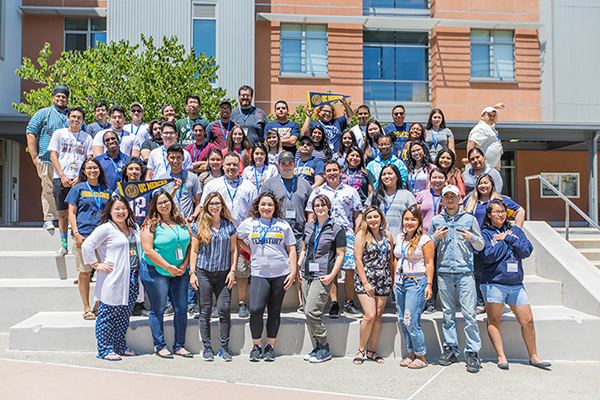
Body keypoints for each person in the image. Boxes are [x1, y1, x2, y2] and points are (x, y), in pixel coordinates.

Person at [479, 199, 550, 370]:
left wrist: (508, 238)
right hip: (493, 283)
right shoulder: (485, 233)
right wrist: (506, 241)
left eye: (503, 211)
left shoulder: (514, 231)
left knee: (528, 320)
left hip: (516, 284)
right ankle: (501, 356)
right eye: (496, 212)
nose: (501, 215)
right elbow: (488, 255)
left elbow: (526, 250)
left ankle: (534, 356)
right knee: (494, 320)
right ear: (489, 215)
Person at [429, 185, 484, 373]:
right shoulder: (436, 220)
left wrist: (471, 237)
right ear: (442, 200)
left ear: (459, 198)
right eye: (446, 197)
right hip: (444, 272)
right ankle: (451, 348)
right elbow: (428, 246)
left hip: (465, 272)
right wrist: (435, 237)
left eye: (453, 196)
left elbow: (481, 245)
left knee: (469, 314)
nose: (450, 200)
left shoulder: (469, 219)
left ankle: (473, 352)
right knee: (448, 314)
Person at [237, 192, 297, 362]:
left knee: (274, 310)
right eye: (263, 204)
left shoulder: (283, 225)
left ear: (275, 207)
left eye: (270, 205)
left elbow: (291, 249)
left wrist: (293, 272)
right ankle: (256, 346)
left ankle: (269, 346)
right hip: (259, 273)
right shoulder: (249, 223)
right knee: (255, 310)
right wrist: (250, 252)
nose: (266, 208)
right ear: (257, 206)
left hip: (281, 273)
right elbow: (237, 238)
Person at [81, 195, 141, 361]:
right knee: (108, 315)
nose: (121, 212)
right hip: (114, 278)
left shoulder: (134, 227)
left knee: (124, 314)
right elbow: (87, 245)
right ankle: (104, 349)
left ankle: (120, 346)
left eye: (124, 208)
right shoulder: (107, 228)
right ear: (110, 211)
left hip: (132, 278)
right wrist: (95, 265)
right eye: (117, 208)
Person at [201, 153, 258, 318]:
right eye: (228, 164)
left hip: (241, 236)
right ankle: (215, 304)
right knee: (215, 270)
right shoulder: (213, 185)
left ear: (239, 166)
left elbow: (254, 212)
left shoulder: (249, 186)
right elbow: (205, 209)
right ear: (222, 166)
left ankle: (241, 302)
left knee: (241, 270)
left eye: (235, 164)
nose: (231, 167)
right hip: (217, 233)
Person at [140, 190, 193, 359]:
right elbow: (148, 250)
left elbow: (191, 243)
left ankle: (179, 345)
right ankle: (160, 345)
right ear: (154, 206)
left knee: (181, 308)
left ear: (172, 202)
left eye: (166, 201)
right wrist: (168, 266)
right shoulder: (150, 224)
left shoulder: (181, 221)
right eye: (160, 202)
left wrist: (185, 264)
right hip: (157, 271)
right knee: (158, 309)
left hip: (180, 271)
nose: (164, 205)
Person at [307, 161, 363, 318]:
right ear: (324, 174)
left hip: (346, 234)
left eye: (335, 170)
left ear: (340, 172)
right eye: (328, 170)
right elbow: (311, 214)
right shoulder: (317, 191)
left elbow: (357, 214)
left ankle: (349, 303)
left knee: (349, 268)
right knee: (330, 268)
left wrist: (358, 233)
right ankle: (334, 303)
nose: (332, 173)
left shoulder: (351, 191)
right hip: (325, 234)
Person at [465, 174, 525, 314]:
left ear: (492, 185)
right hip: (476, 244)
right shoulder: (470, 200)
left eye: (486, 183)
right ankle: (481, 303)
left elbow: (520, 211)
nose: (483, 186)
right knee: (477, 274)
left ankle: (497, 301)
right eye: (480, 183)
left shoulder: (500, 200)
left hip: (495, 243)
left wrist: (516, 231)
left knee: (495, 272)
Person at [261, 151, 312, 313]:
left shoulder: (304, 184)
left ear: (294, 165)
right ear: (278, 165)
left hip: (299, 234)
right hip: (276, 235)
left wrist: (309, 230)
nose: (287, 166)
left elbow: (310, 210)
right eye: (284, 163)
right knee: (273, 269)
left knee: (300, 270)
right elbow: (263, 208)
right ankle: (270, 304)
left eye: (290, 163)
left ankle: (302, 302)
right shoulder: (269, 184)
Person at [189, 192, 238, 362]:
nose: (214, 206)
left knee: (224, 309)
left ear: (222, 205)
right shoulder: (198, 226)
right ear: (206, 206)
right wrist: (192, 273)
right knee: (205, 311)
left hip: (224, 273)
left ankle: (224, 347)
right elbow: (194, 251)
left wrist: (232, 271)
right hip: (204, 272)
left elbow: (233, 250)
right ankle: (207, 347)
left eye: (217, 203)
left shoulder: (229, 226)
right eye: (211, 203)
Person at [298, 195, 346, 363]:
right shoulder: (309, 226)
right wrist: (299, 266)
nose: (319, 208)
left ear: (328, 207)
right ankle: (317, 347)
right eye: (316, 205)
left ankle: (324, 346)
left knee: (312, 310)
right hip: (306, 274)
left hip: (323, 275)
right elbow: (304, 249)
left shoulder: (337, 229)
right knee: (306, 310)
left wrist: (332, 275)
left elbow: (340, 255)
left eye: (322, 205)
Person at [66, 157, 111, 321]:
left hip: (103, 237)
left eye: (95, 167)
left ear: (100, 170)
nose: (93, 170)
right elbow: (71, 213)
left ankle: (98, 305)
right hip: (83, 236)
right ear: (84, 172)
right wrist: (76, 234)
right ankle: (86, 307)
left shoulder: (106, 189)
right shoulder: (77, 188)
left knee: (103, 272)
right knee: (85, 273)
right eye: (89, 168)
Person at [25, 84, 71, 232]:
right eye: (58, 96)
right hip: (47, 158)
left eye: (63, 97)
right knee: (48, 188)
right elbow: (31, 132)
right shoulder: (43, 113)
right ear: (53, 98)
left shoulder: (72, 115)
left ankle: (69, 219)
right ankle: (49, 218)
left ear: (67, 100)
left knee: (69, 190)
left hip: (68, 161)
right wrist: (34, 156)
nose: (61, 99)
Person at [48, 107, 93, 257]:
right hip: (61, 178)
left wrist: (80, 178)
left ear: (82, 121)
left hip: (79, 180)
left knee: (78, 212)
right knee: (63, 212)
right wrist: (62, 176)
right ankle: (63, 246)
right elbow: (53, 156)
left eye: (79, 118)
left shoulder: (87, 137)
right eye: (73, 117)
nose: (76, 120)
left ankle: (78, 243)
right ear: (68, 118)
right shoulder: (59, 134)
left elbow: (88, 159)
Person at [394, 205, 434, 369]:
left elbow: (430, 262)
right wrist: (393, 280)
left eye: (413, 219)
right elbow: (396, 259)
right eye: (406, 219)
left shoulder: (425, 240)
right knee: (403, 320)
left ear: (419, 221)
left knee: (411, 321)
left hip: (416, 281)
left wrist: (429, 284)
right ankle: (411, 353)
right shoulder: (399, 237)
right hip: (400, 281)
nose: (409, 222)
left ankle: (421, 356)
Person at [353, 207, 394, 365]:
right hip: (367, 280)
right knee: (369, 315)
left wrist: (392, 279)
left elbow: (390, 259)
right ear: (365, 220)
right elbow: (358, 260)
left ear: (381, 218)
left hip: (383, 280)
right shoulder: (361, 235)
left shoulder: (387, 235)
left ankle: (372, 351)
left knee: (378, 315)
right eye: (369, 217)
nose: (373, 220)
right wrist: (365, 283)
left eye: (376, 216)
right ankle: (361, 350)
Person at [366, 165, 416, 239]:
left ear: (397, 176)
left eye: (390, 173)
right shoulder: (374, 195)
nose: (386, 176)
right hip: (378, 240)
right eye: (384, 174)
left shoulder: (407, 195)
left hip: (401, 240)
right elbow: (367, 216)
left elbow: (415, 218)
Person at [157, 144, 202, 224]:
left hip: (187, 222)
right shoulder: (162, 179)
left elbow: (199, 203)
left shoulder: (192, 177)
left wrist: (193, 216)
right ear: (167, 159)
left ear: (183, 159)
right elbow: (159, 203)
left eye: (178, 157)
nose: (175, 161)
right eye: (172, 158)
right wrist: (174, 190)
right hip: (168, 223)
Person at [466, 104, 505, 170]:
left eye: (493, 116)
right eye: (489, 115)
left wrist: (495, 108)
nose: (492, 118)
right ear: (482, 116)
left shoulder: (489, 127)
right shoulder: (482, 128)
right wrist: (470, 158)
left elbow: (494, 121)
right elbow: (471, 142)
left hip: (489, 167)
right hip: (481, 167)